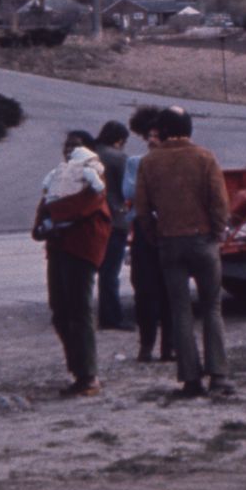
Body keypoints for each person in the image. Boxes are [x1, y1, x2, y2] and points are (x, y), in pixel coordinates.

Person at [133, 106, 233, 397]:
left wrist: (156, 236)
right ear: (189, 129)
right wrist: (217, 232)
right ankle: (218, 375)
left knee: (180, 310)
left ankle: (190, 378)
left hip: (169, 242)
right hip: (202, 240)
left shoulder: (149, 163)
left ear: (161, 130)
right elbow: (219, 202)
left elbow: (141, 210)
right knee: (212, 307)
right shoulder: (204, 157)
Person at [32, 130, 112, 397]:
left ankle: (88, 375)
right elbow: (46, 202)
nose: (68, 151)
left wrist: (50, 215)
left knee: (79, 311)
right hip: (58, 247)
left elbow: (80, 206)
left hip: (81, 248)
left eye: (74, 146)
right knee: (60, 311)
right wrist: (41, 224)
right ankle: (79, 370)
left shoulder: (93, 174)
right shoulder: (60, 175)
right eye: (66, 146)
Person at [123, 105, 173, 363]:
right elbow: (130, 192)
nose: (152, 141)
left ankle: (169, 347)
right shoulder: (135, 163)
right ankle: (146, 345)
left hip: (170, 231)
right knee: (144, 290)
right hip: (144, 231)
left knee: (170, 290)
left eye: (157, 136)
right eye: (149, 136)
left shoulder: (174, 162)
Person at [94, 120, 134, 332]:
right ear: (119, 140)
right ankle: (111, 317)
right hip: (114, 218)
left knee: (98, 269)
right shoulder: (118, 158)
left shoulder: (89, 153)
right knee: (111, 271)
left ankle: (103, 314)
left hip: (92, 218)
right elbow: (127, 190)